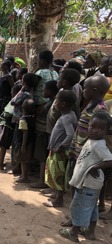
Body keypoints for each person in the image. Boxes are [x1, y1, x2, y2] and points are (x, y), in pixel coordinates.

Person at [59, 111, 112, 242]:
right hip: (90, 184)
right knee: (92, 207)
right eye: (92, 126)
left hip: (88, 184)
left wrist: (94, 167)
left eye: (100, 129)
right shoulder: (92, 140)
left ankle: (73, 233)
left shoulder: (100, 145)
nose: (95, 130)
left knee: (79, 206)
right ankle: (90, 231)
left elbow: (110, 160)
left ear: (106, 131)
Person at [43, 90, 77, 208]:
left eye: (56, 101)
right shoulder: (68, 115)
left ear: (63, 104)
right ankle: (56, 194)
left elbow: (70, 134)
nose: (55, 103)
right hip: (56, 150)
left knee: (58, 174)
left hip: (60, 152)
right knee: (54, 173)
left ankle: (58, 200)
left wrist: (60, 147)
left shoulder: (67, 118)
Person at [0, 83, 22, 171]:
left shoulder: (14, 101)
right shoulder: (17, 101)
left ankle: (0, 163)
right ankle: (0, 162)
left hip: (6, 125)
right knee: (5, 145)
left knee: (3, 146)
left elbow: (8, 113)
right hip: (9, 125)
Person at [13, 99, 36, 183]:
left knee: (23, 160)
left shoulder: (23, 120)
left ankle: (24, 176)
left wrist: (23, 145)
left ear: (22, 109)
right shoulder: (33, 118)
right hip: (31, 142)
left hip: (24, 143)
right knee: (27, 159)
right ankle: (24, 174)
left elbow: (24, 133)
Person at [0, 60, 13, 134]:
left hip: (4, 98)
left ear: (6, 66)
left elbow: (12, 87)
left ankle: (0, 132)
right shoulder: (1, 74)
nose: (0, 66)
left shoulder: (8, 76)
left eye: (2, 65)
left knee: (1, 114)